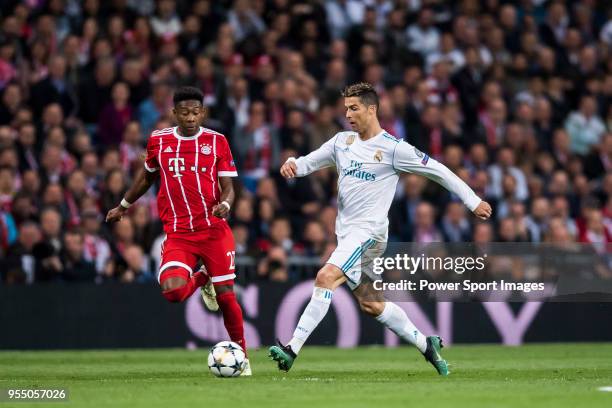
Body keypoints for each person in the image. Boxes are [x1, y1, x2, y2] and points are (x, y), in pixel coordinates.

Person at [270, 82, 492, 376]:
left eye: (354, 108)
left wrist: (472, 200)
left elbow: (438, 170)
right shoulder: (341, 142)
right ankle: (427, 345)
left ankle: (291, 349)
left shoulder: (393, 149)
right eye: (346, 108)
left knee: (325, 276)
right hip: (348, 235)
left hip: (369, 234)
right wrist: (291, 164)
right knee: (372, 304)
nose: (348, 114)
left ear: (371, 109)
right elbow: (307, 164)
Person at [105, 86, 251, 375]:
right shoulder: (158, 141)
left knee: (226, 296)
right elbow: (146, 178)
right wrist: (123, 205)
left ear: (203, 112)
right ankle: (203, 276)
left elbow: (229, 187)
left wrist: (226, 204)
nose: (190, 117)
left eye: (196, 112)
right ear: (174, 113)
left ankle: (242, 357)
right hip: (179, 234)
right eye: (184, 112)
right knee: (172, 293)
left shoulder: (217, 141)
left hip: (213, 232)